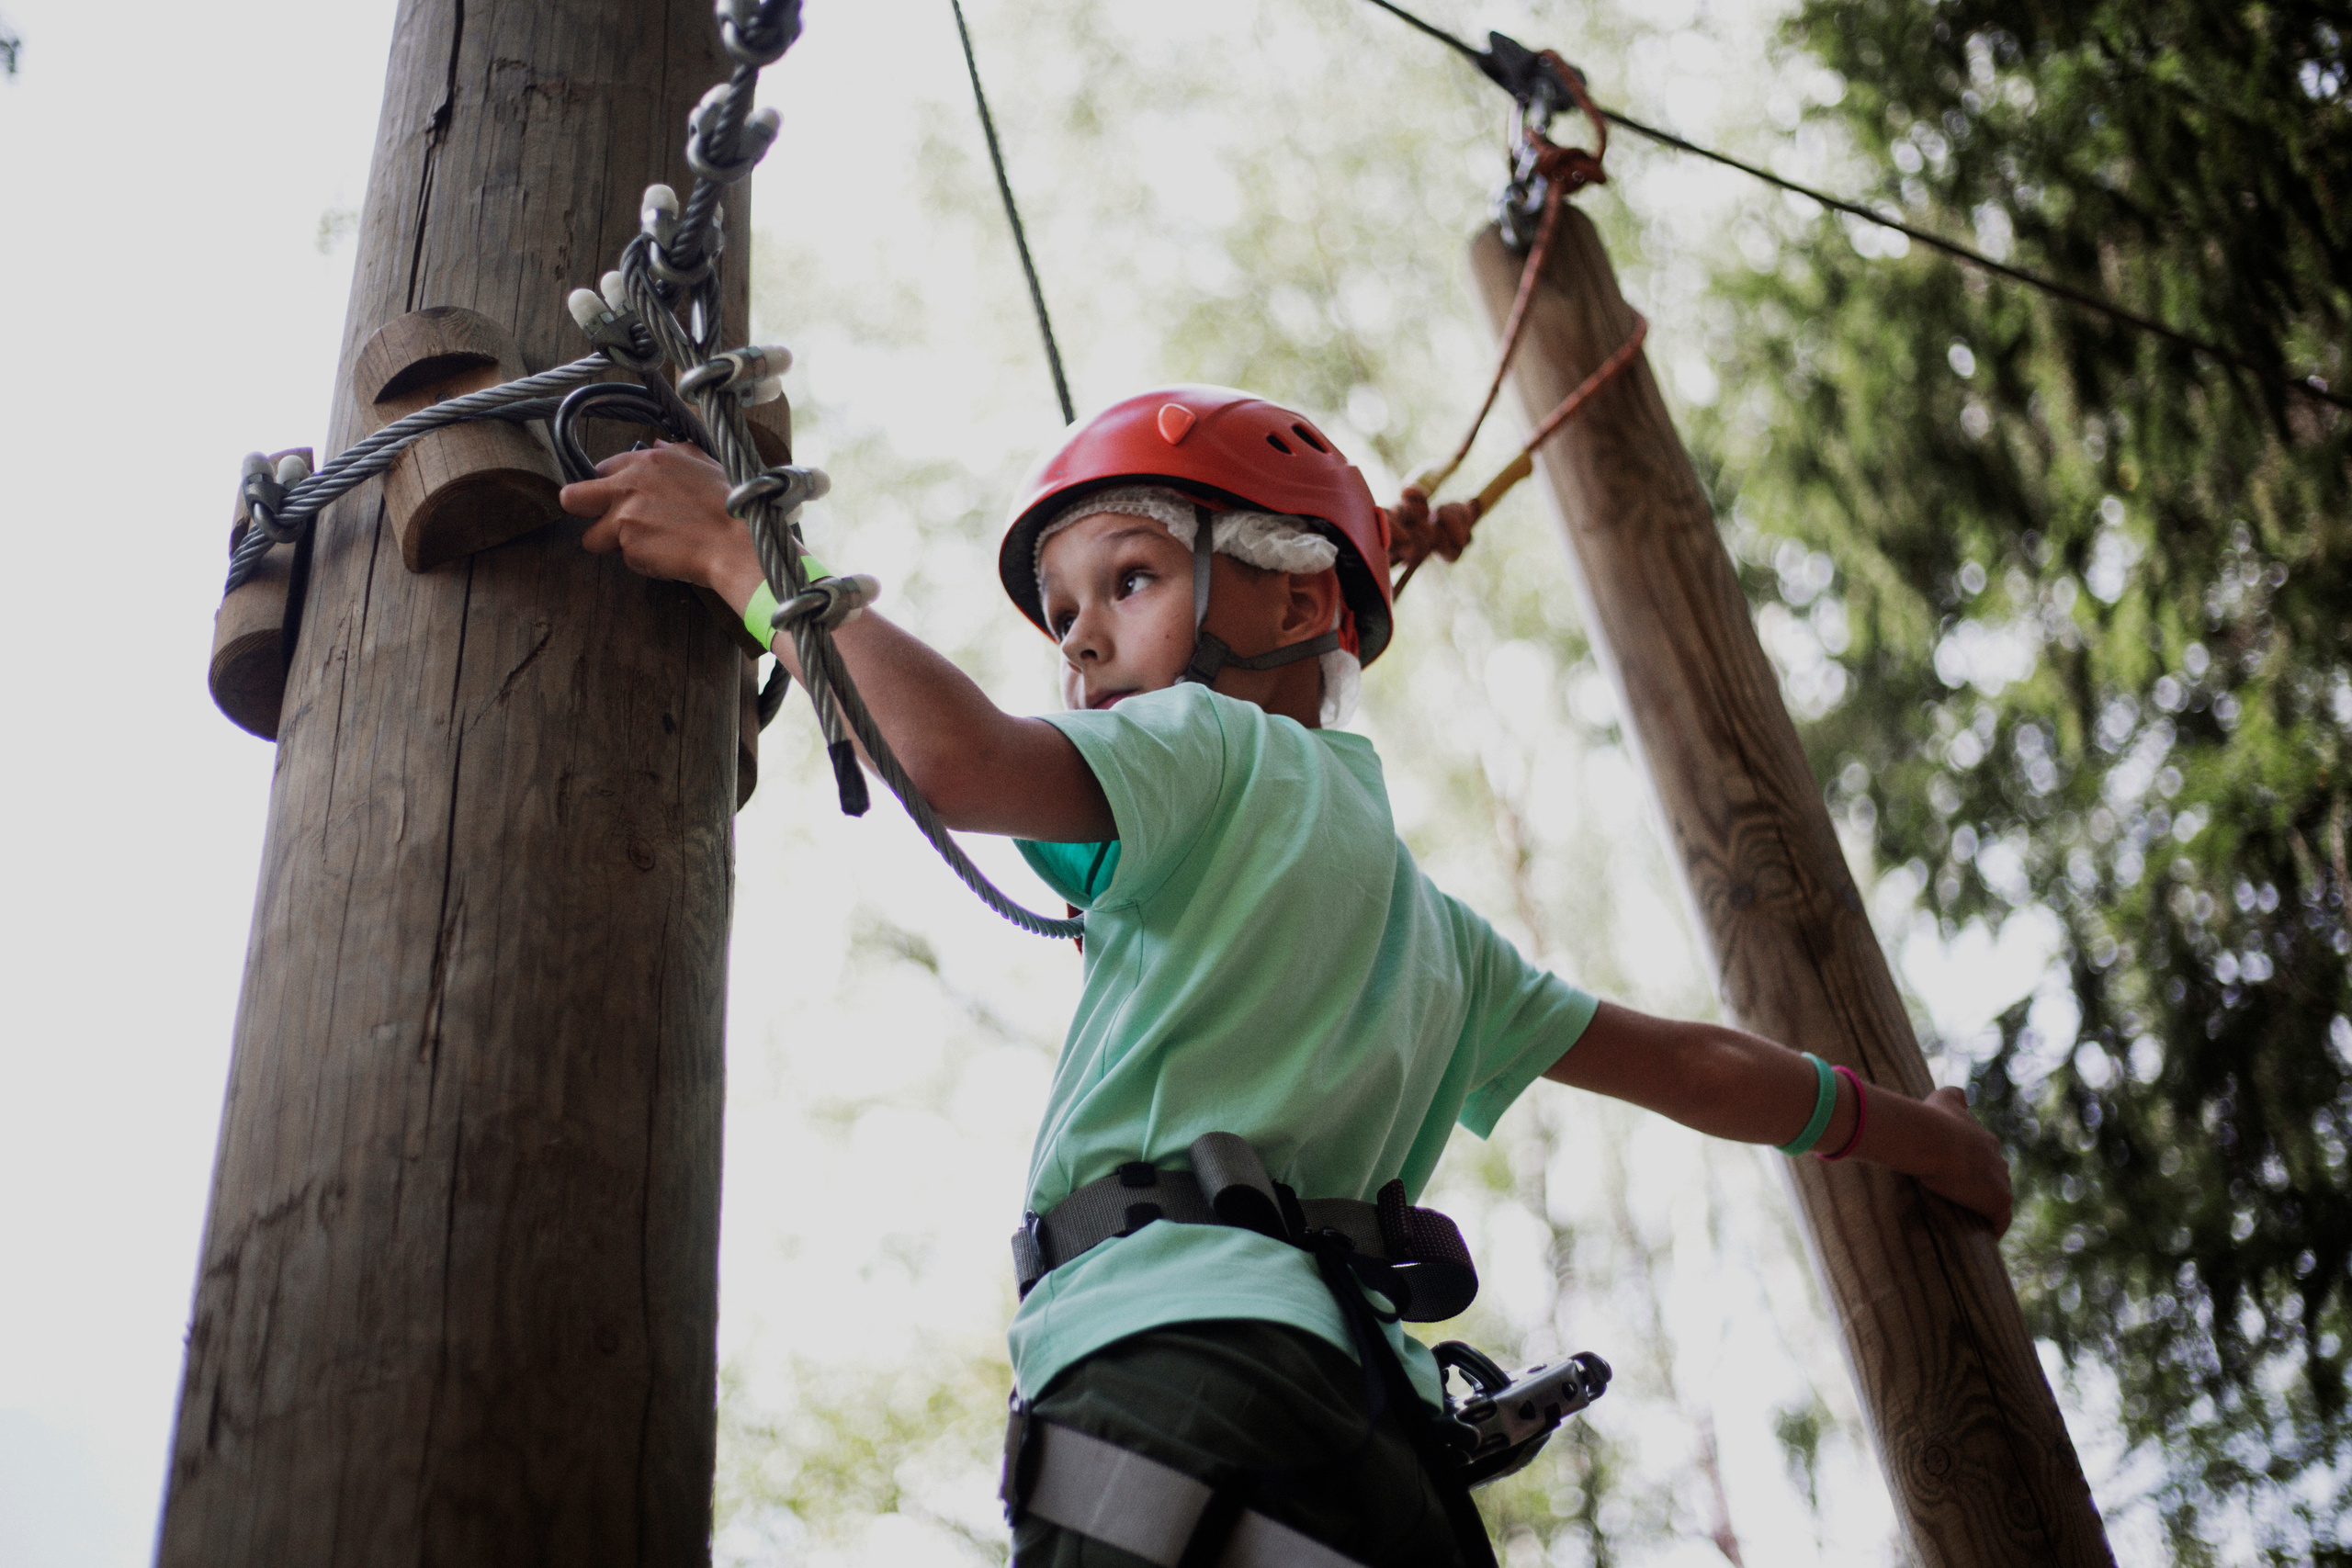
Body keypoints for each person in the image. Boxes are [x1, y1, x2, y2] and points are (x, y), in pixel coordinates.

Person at [560, 386, 2013, 1568]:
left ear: (1301, 602)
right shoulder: (1439, 938)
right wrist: (1916, 1134)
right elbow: (1697, 1067)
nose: (1078, 639)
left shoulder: (1204, 749)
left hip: (1173, 1385)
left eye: (1128, 577)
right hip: (1374, 1438)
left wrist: (745, 561)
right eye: (1063, 611)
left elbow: (951, 757)